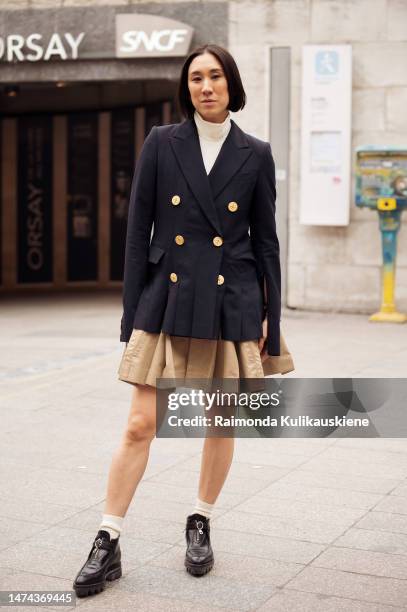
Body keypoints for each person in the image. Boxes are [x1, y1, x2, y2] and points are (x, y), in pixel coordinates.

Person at [72, 43, 294, 598]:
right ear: (186, 87)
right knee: (139, 424)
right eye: (195, 78)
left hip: (230, 301)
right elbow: (136, 232)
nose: (205, 86)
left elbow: (266, 244)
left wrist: (273, 321)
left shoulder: (256, 153)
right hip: (166, 298)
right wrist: (131, 316)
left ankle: (200, 519)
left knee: (221, 420)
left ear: (231, 84)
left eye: (215, 76)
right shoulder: (161, 143)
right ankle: (108, 537)